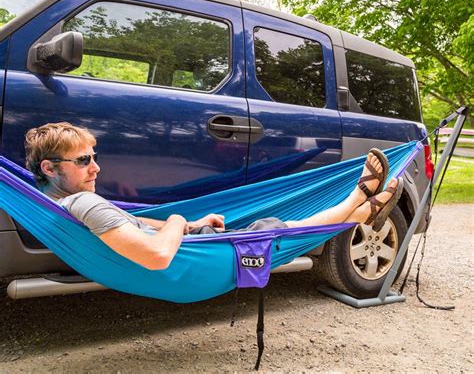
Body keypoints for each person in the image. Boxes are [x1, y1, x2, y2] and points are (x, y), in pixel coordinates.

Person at [24, 122, 402, 271]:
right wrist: (176, 222)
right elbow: (156, 256)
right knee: (278, 231)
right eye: (84, 160)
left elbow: (134, 224)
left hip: (201, 242)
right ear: (49, 168)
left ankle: (358, 209)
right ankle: (356, 202)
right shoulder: (85, 202)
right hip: (205, 257)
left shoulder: (59, 201)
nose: (96, 168)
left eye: (95, 157)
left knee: (273, 229)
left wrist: (190, 222)